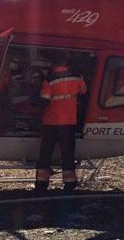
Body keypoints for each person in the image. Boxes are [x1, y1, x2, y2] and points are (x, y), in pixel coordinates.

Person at [33, 64, 88, 194]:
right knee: (67, 153)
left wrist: (34, 100)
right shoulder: (77, 77)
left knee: (46, 153)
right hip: (69, 121)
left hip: (51, 122)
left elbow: (45, 100)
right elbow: (84, 91)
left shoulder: (50, 79)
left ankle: (41, 183)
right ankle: (70, 183)